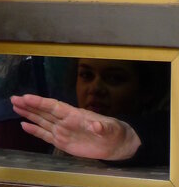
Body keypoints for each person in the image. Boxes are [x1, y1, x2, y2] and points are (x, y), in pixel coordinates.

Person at [11, 57, 170, 165]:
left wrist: (128, 140)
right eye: (86, 75)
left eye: (114, 78)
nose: (95, 88)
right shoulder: (62, 141)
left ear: (146, 91)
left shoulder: (165, 144)